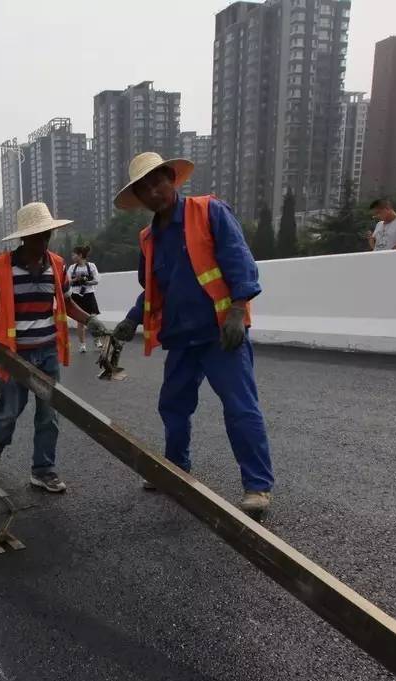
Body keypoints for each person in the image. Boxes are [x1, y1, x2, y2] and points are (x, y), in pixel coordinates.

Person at [110, 151, 275, 517]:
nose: (155, 191)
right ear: (139, 199)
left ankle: (257, 487)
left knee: (240, 406)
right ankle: (175, 469)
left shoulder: (209, 211)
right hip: (181, 337)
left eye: (159, 181)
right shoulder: (148, 238)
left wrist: (237, 310)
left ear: (172, 179)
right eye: (145, 188)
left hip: (220, 334)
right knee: (173, 406)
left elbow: (239, 260)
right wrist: (131, 319)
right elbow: (154, 288)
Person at [0, 202, 108, 494]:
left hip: (47, 351)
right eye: (37, 236)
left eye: (47, 234)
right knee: (10, 411)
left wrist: (91, 321)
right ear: (24, 238)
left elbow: (68, 303)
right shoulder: (0, 267)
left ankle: (43, 470)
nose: (43, 241)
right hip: (13, 354)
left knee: (49, 413)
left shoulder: (58, 265)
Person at [67, 246, 102, 353]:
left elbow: (96, 280)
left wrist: (86, 282)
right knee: (80, 321)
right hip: (77, 295)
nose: (72, 257)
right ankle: (82, 344)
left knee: (93, 319)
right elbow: (67, 281)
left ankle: (97, 340)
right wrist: (76, 279)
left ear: (80, 255)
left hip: (89, 294)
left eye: (74, 254)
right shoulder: (72, 268)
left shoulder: (91, 266)